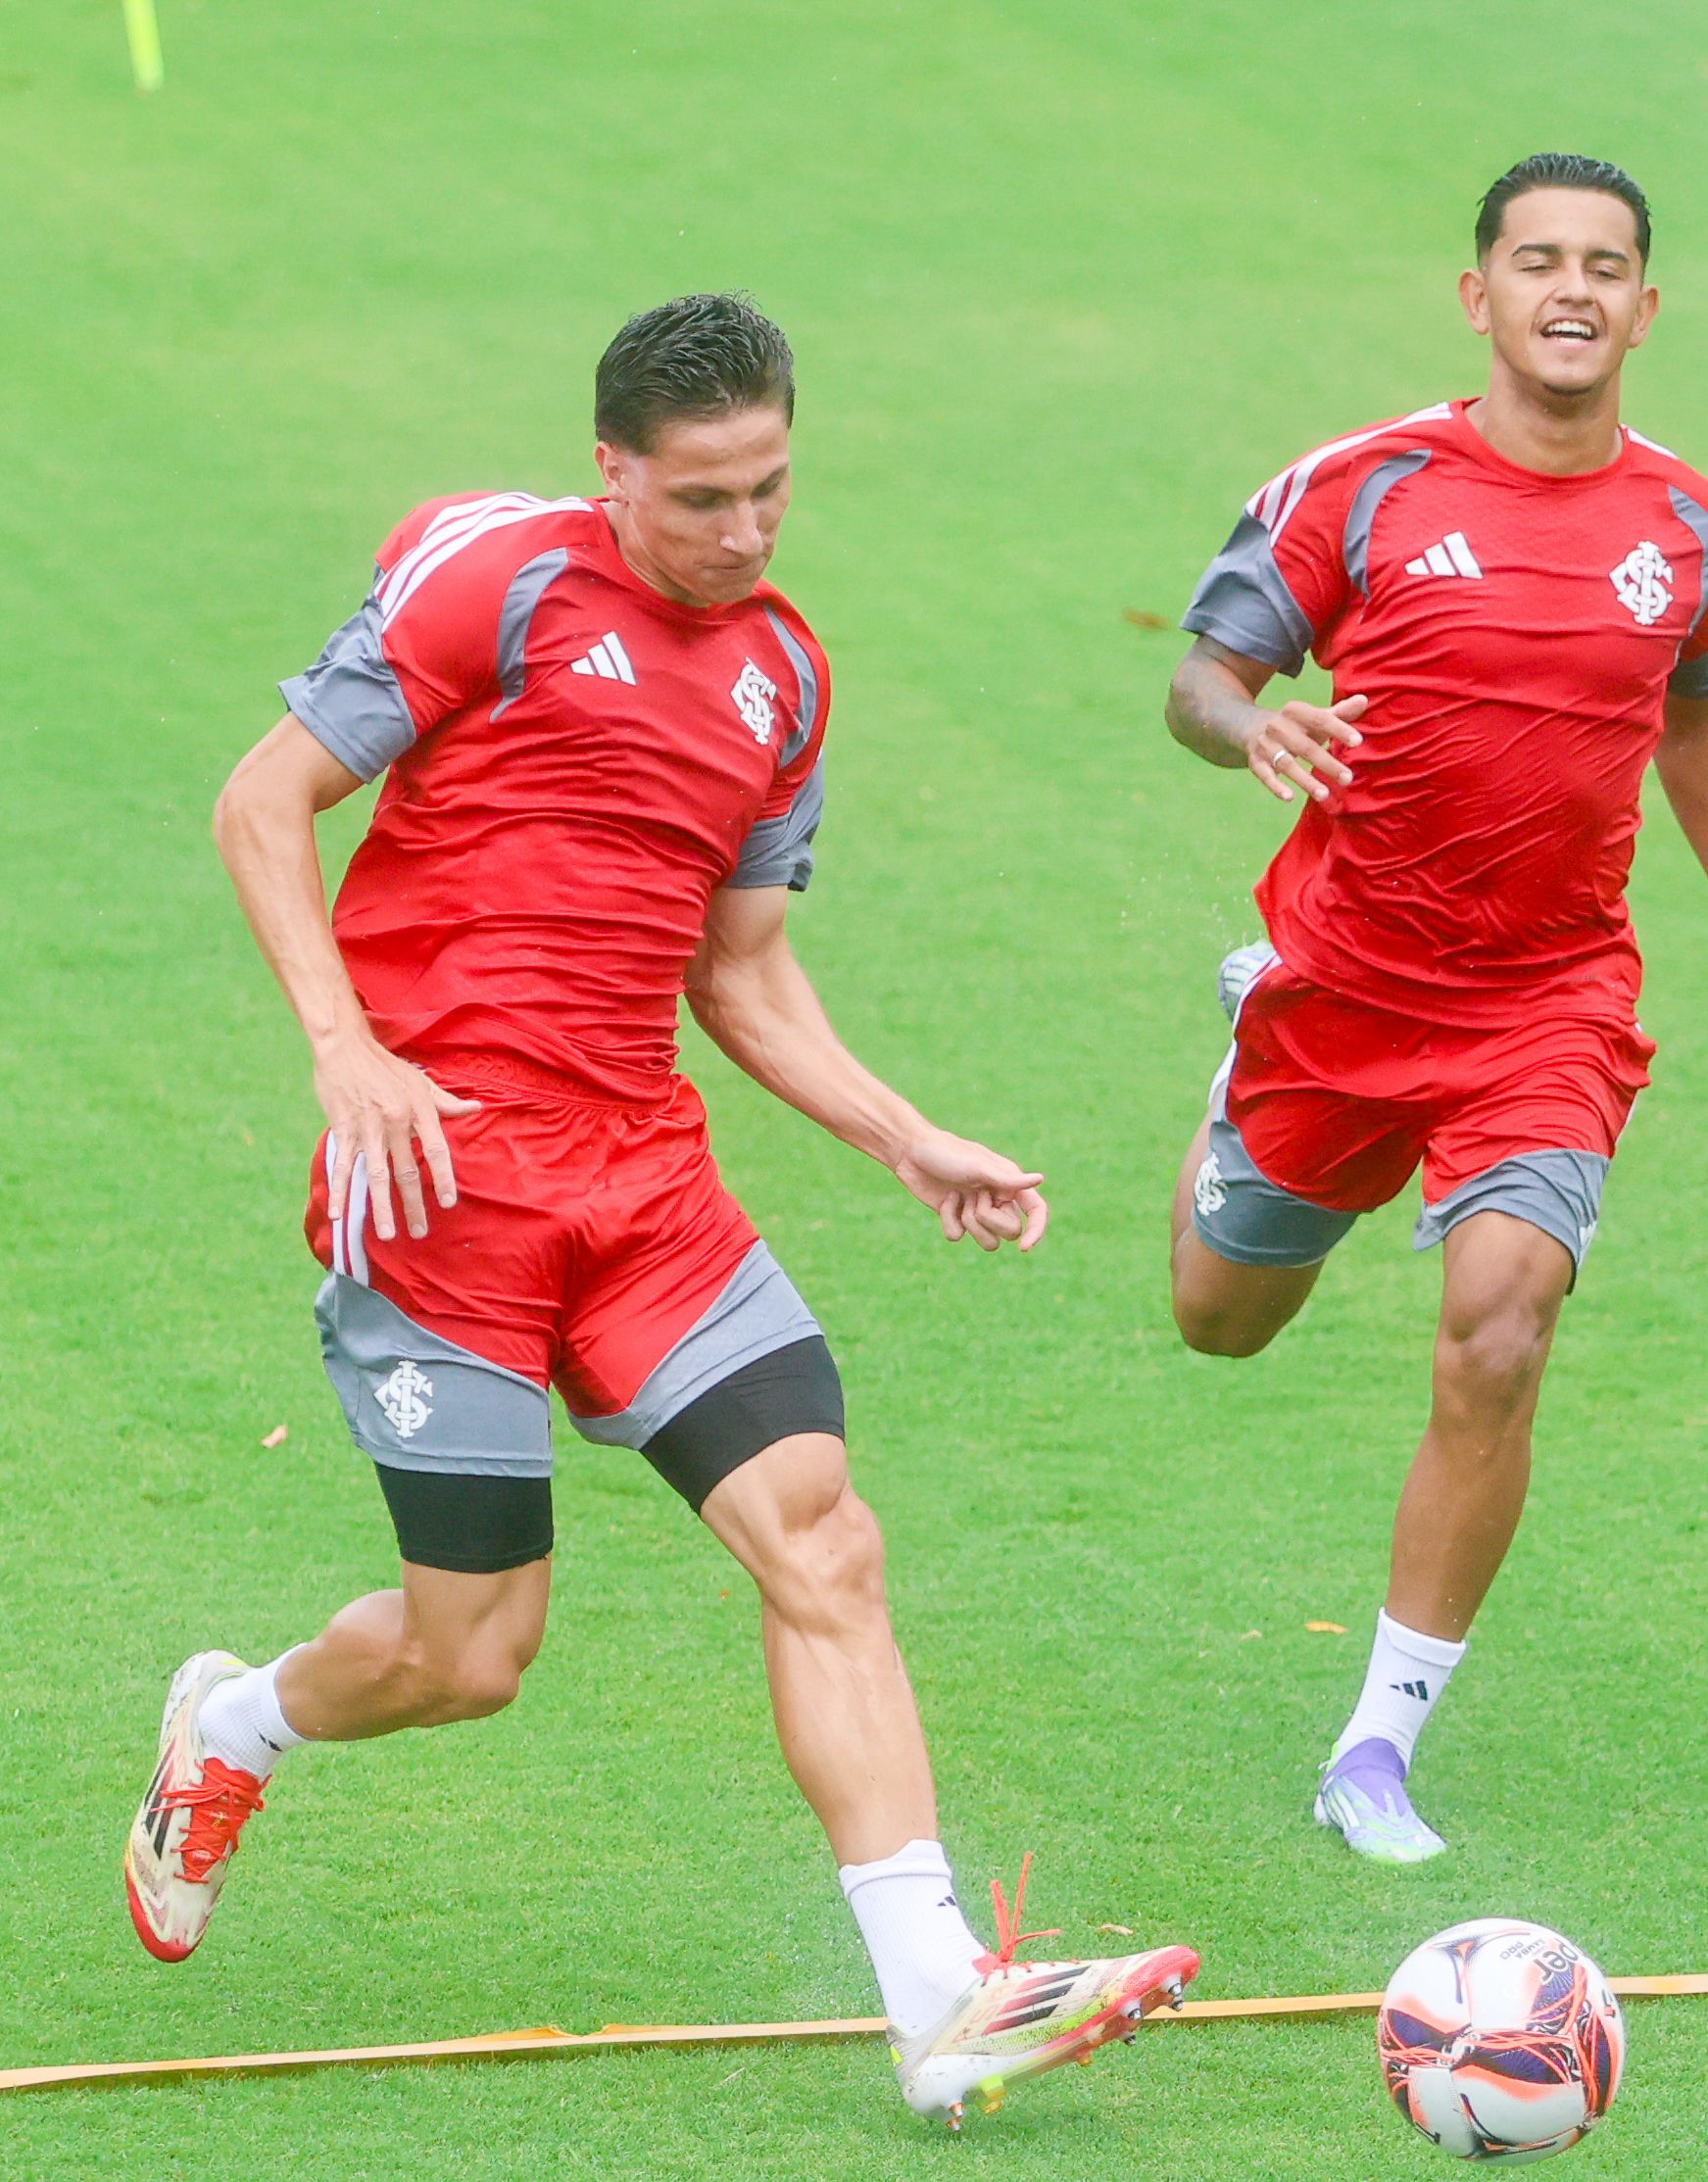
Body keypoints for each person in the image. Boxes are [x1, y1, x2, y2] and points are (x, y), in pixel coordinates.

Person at [132, 294, 1196, 2124]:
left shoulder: (785, 677)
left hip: (643, 1190)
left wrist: (903, 1136)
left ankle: (940, 1999)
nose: (745, 530)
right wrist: (345, 1051)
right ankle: (232, 1725)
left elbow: (743, 971)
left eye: (772, 488)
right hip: (442, 1189)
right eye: (703, 498)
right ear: (613, 471)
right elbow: (260, 803)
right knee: (473, 1656)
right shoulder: (499, 588)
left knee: (825, 1541)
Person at [1161, 156, 1708, 1864]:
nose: (1570, 289)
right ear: (1480, 296)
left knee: (1503, 1322)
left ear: (1645, 308)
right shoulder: (1360, 488)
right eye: (1537, 260)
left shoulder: (1694, 528)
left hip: (1549, 1000)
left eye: (1603, 265)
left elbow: (1696, 714)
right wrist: (1252, 726)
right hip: (1344, 987)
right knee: (1220, 1319)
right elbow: (1202, 675)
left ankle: (1377, 1747)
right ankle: (1239, 1068)